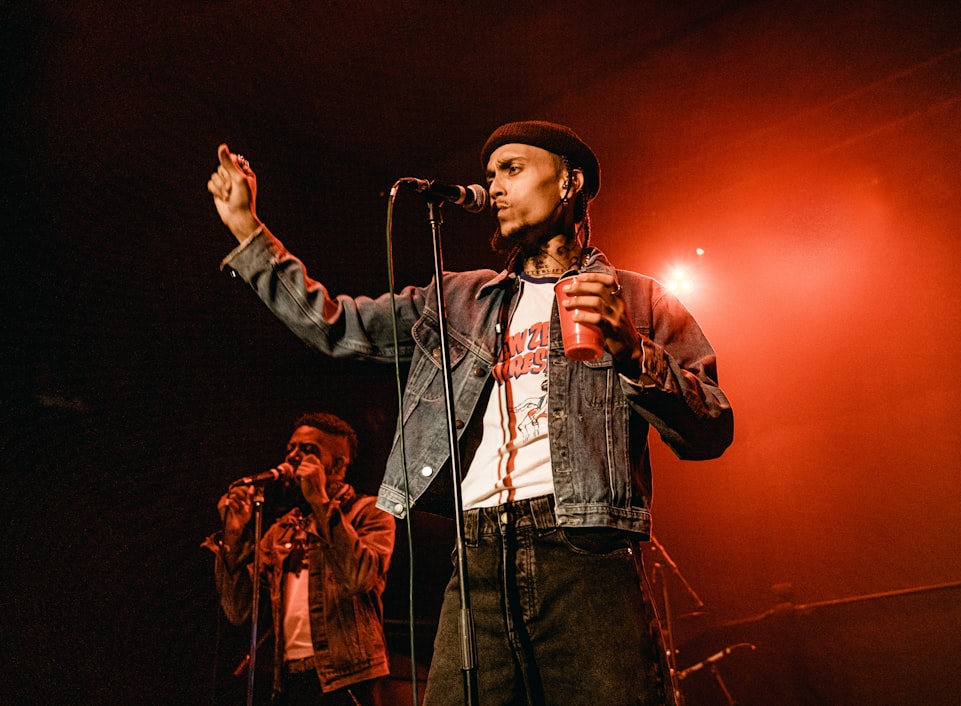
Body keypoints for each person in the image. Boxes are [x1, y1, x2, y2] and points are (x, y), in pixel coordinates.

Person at [207, 121, 734, 705]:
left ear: (569, 181)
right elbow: (335, 325)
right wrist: (247, 230)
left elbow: (710, 425)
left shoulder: (640, 297)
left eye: (512, 169)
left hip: (584, 556)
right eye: (490, 176)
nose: (496, 187)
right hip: (478, 556)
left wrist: (634, 352)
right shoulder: (458, 299)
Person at [204, 412, 396, 705]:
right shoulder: (283, 528)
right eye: (291, 448)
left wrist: (320, 500)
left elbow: (360, 578)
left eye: (308, 451)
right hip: (290, 676)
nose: (293, 456)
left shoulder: (368, 512)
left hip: (349, 674)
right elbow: (239, 610)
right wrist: (233, 537)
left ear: (338, 465)